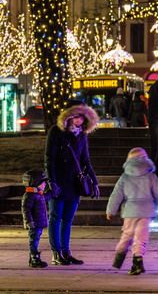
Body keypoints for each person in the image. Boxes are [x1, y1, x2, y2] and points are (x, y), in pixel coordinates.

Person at [45, 104, 100, 265]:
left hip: (74, 183)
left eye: (82, 117)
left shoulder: (82, 135)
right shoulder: (56, 132)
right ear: (69, 116)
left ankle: (66, 252)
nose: (79, 120)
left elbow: (85, 160)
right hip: (59, 181)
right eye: (77, 116)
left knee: (67, 219)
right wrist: (51, 181)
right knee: (56, 217)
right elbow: (50, 159)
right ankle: (56, 253)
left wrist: (94, 181)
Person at [106, 147, 158, 275]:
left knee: (127, 235)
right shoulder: (151, 176)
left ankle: (119, 258)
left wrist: (110, 210)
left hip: (130, 212)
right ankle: (137, 262)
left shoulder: (125, 177)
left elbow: (116, 194)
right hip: (146, 211)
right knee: (141, 237)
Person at [21, 169, 49, 268]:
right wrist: (29, 221)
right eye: (43, 182)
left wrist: (52, 193)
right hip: (34, 224)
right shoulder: (29, 195)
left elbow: (44, 198)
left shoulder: (37, 194)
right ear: (35, 182)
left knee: (35, 239)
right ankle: (34, 258)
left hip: (38, 223)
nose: (45, 184)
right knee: (34, 240)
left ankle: (33, 257)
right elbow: (25, 209)